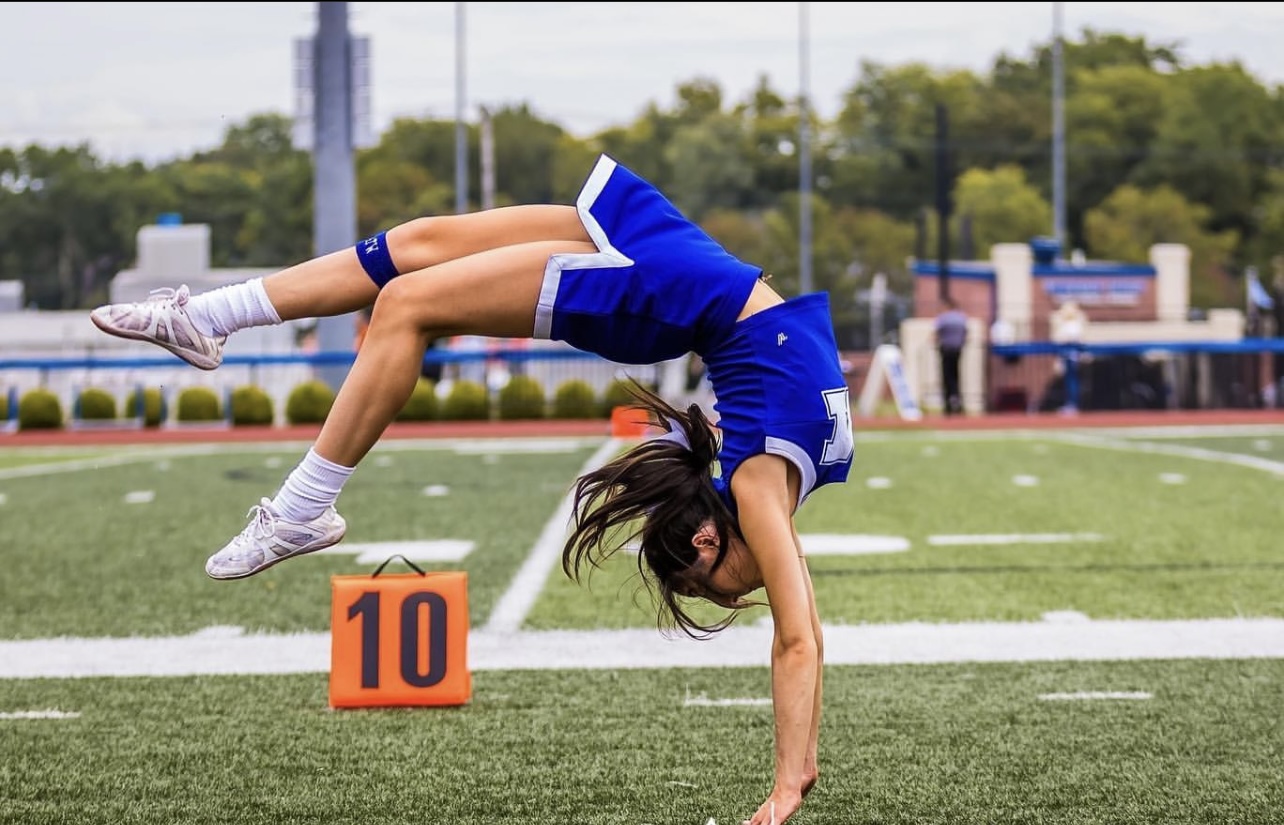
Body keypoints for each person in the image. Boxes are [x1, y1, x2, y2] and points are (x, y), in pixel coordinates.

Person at [89, 153, 853, 825]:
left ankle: (301, 505)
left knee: (407, 303)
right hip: (669, 284)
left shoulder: (765, 484)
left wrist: (797, 772)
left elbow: (800, 626)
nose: (733, 594)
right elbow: (799, 639)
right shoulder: (758, 491)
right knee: (416, 245)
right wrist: (791, 780)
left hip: (690, 280)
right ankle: (208, 321)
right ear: (706, 538)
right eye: (713, 587)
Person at [934, 296, 968, 415]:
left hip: (946, 349)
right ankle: (957, 400)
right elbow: (965, 332)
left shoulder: (943, 318)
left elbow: (936, 333)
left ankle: (949, 403)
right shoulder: (961, 318)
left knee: (947, 376)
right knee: (956, 375)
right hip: (958, 349)